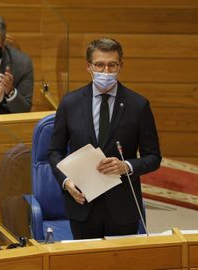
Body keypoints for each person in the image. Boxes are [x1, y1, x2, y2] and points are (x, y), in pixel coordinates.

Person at [48, 38, 162, 239]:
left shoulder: (138, 105)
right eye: (99, 65)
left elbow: (153, 157)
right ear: (88, 67)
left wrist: (126, 166)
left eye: (112, 65)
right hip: (82, 203)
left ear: (121, 66)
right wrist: (66, 181)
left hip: (122, 205)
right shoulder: (70, 103)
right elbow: (54, 151)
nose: (106, 72)